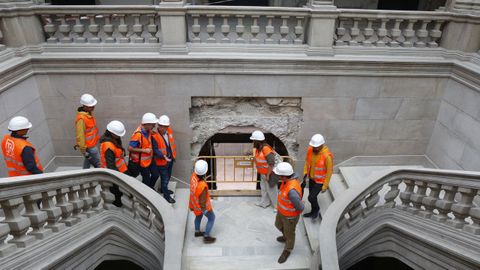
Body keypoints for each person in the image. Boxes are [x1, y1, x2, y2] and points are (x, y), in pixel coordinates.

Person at [274, 162, 304, 264]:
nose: (277, 176)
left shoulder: (292, 191)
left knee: (290, 233)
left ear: (284, 176)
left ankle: (288, 249)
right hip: (282, 212)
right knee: (277, 225)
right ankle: (286, 236)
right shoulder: (286, 181)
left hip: (289, 217)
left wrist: (292, 216)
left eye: (279, 175)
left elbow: (300, 207)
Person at [99, 120, 132, 207]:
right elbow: (111, 166)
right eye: (118, 134)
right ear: (111, 133)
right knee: (116, 189)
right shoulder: (108, 146)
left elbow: (117, 153)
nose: (119, 136)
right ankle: (117, 203)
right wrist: (118, 177)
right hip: (116, 172)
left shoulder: (114, 139)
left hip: (121, 168)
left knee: (125, 186)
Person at [302, 134, 333, 220]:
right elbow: (307, 162)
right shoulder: (310, 150)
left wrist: (325, 186)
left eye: (316, 147)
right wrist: (305, 172)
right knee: (312, 197)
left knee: (311, 197)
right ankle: (313, 211)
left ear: (321, 145)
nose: (314, 148)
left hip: (320, 181)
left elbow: (329, 172)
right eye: (313, 146)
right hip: (312, 179)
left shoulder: (327, 157)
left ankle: (316, 209)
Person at [127, 113, 159, 190]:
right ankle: (146, 192)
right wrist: (144, 150)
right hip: (142, 162)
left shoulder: (148, 131)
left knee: (155, 175)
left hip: (149, 159)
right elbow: (130, 148)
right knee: (146, 180)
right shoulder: (138, 135)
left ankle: (150, 188)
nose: (154, 126)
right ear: (147, 124)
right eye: (153, 124)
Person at [189, 160, 216, 244]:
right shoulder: (202, 186)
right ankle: (206, 236)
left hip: (194, 204)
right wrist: (205, 211)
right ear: (205, 172)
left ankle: (197, 232)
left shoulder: (193, 176)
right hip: (203, 207)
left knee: (198, 217)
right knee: (212, 218)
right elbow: (202, 201)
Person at [152, 115, 176, 204]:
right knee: (165, 179)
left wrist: (171, 157)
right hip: (161, 162)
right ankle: (166, 196)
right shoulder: (154, 135)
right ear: (158, 125)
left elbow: (170, 144)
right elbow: (155, 149)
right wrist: (163, 156)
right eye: (160, 126)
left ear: (167, 127)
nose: (162, 128)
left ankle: (163, 189)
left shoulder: (169, 131)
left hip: (170, 159)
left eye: (164, 126)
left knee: (168, 176)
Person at [250, 130, 277, 211]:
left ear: (258, 141)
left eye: (254, 140)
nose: (253, 142)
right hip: (263, 174)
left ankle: (277, 206)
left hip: (269, 174)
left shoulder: (266, 148)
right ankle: (264, 203)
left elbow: (271, 163)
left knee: (272, 191)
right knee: (264, 189)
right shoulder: (259, 148)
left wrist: (268, 175)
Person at [75, 93, 100, 169]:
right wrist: (83, 149)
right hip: (90, 146)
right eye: (91, 106)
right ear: (85, 106)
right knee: (99, 163)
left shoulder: (87, 114)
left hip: (91, 144)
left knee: (88, 161)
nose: (93, 107)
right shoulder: (82, 119)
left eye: (93, 105)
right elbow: (80, 135)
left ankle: (84, 173)